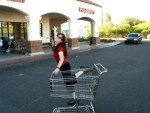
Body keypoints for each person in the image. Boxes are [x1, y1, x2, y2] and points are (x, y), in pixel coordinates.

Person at [52, 26, 77, 105]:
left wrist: (57, 68)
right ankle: (83, 70)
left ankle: (74, 98)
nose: (57, 37)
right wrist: (55, 31)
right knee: (69, 80)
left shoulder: (59, 48)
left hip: (65, 66)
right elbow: (55, 37)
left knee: (68, 83)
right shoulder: (56, 43)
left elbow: (62, 59)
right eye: (57, 36)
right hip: (64, 66)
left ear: (61, 40)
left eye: (59, 37)